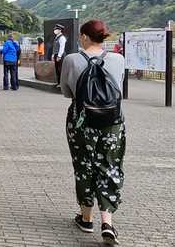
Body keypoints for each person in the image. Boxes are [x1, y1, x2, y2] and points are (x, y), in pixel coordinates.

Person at [60, 20, 125, 245]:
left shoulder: (72, 59)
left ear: (86, 37)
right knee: (109, 166)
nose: (79, 39)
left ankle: (86, 219)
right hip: (112, 122)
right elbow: (118, 88)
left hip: (81, 122)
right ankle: (107, 222)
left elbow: (66, 91)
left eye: (81, 36)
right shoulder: (118, 59)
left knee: (84, 166)